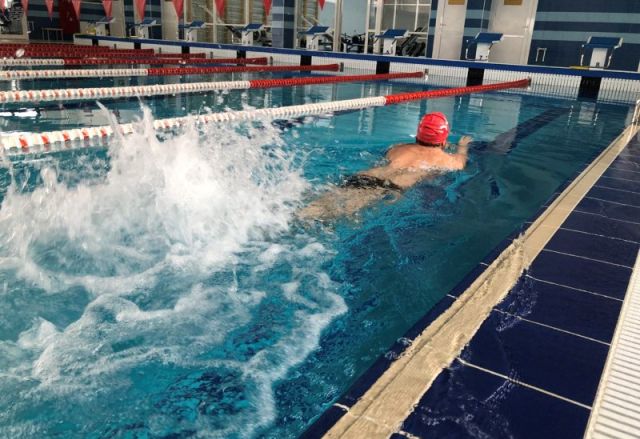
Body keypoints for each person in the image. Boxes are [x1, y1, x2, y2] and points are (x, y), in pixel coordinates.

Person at [299, 112, 472, 220]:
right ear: (444, 139)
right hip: (388, 188)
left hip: (364, 176)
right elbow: (461, 162)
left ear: (418, 135)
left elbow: (389, 155)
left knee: (314, 209)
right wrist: (462, 146)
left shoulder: (398, 148)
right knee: (332, 216)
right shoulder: (448, 161)